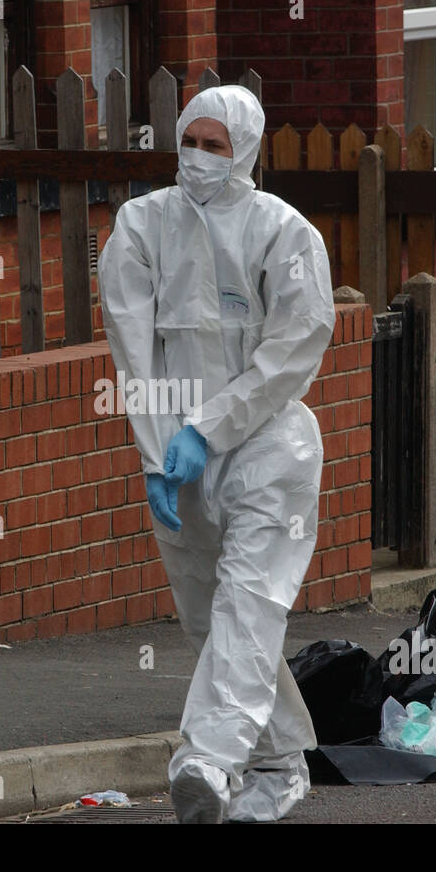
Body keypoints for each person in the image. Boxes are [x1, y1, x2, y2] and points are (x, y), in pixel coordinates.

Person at [97, 84, 336, 823]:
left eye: (216, 144)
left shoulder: (283, 233)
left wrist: (212, 425)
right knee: (209, 618)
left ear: (248, 150)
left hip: (269, 447)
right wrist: (158, 452)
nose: (199, 157)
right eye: (190, 141)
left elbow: (296, 346)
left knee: (248, 603)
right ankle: (280, 760)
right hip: (179, 453)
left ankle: (205, 759)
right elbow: (135, 354)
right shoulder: (140, 227)